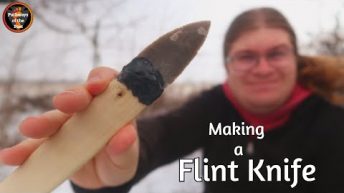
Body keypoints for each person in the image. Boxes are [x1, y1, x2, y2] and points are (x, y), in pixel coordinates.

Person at [1, 7, 344, 193]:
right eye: (246, 56)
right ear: (227, 65)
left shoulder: (334, 119)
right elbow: (160, 135)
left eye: (277, 53)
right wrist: (114, 163)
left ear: (296, 59)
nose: (263, 67)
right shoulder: (214, 108)